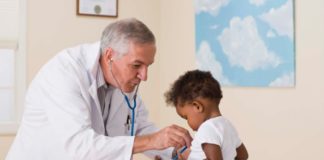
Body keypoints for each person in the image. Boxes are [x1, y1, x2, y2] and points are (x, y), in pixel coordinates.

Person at [6, 18, 192, 160]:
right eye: (137, 65)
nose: (144, 76)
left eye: (147, 66)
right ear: (110, 55)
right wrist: (152, 141)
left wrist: (176, 150)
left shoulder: (123, 79)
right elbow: (80, 146)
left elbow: (138, 127)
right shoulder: (65, 74)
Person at [165, 70, 249, 160]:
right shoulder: (227, 125)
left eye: (186, 117)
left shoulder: (206, 129)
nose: (187, 123)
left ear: (197, 106)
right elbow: (243, 156)